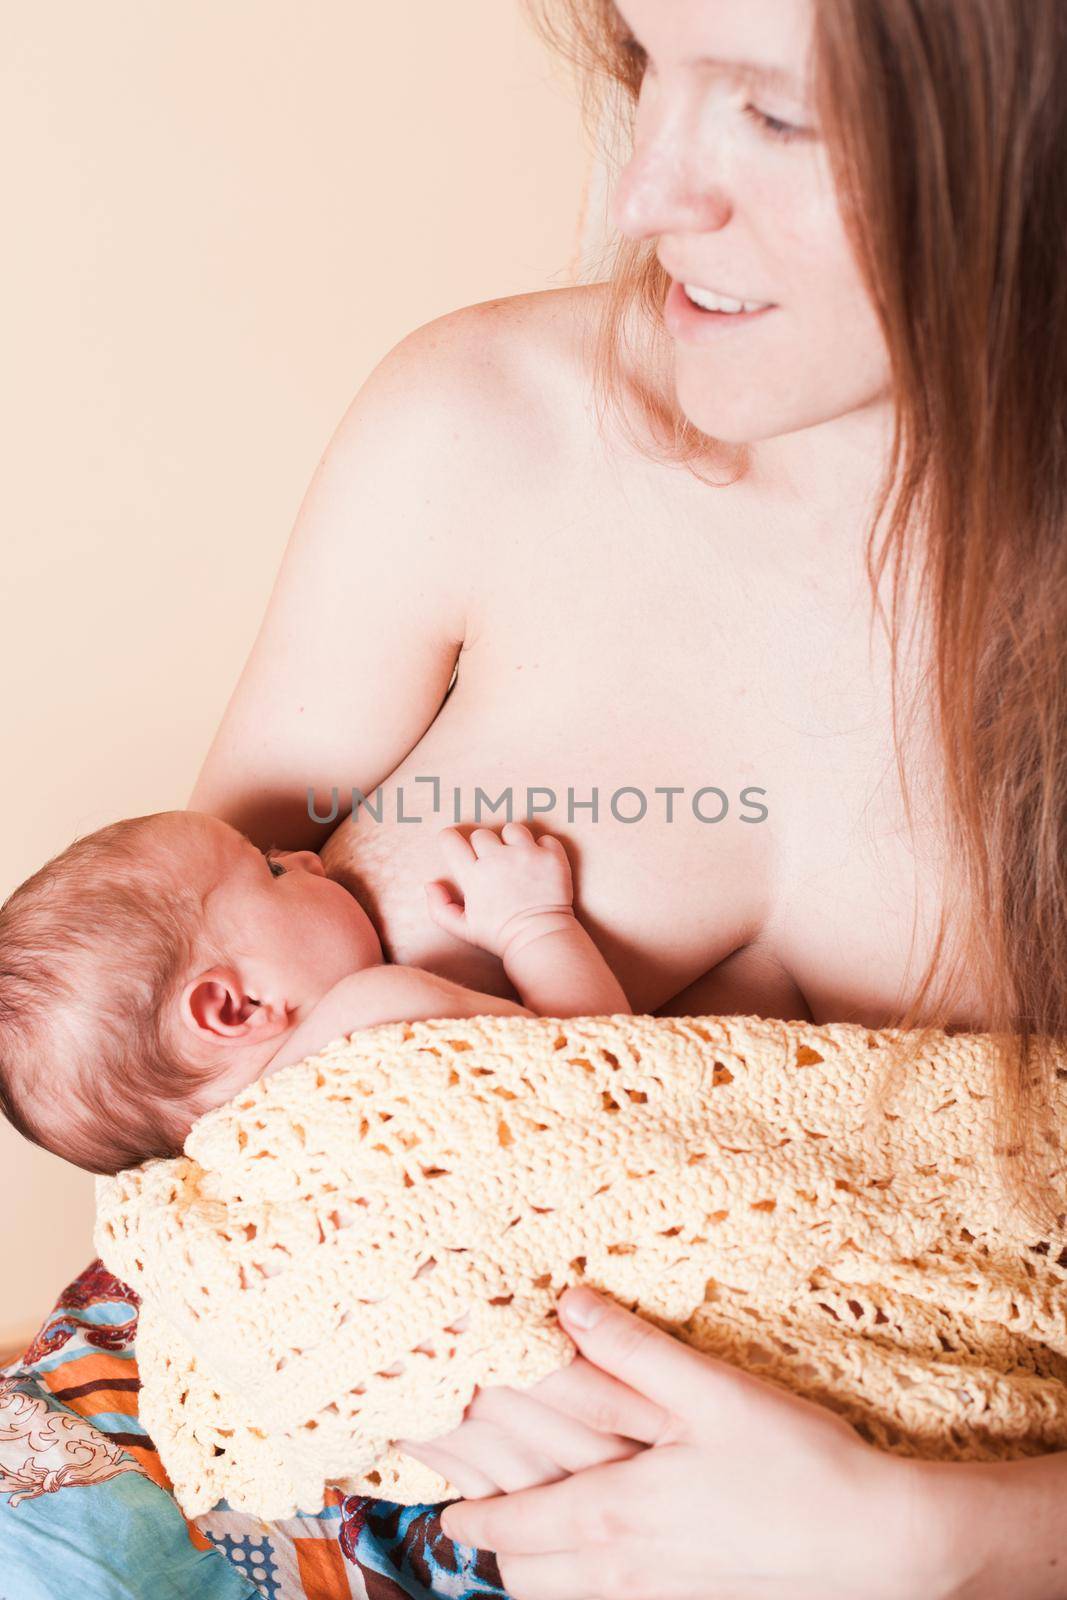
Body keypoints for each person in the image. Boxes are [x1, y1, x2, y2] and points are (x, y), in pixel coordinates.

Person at [188, 0, 1067, 1592]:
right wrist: (394, 1316)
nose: (646, 188)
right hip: (298, 1449)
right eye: (647, 66)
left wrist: (944, 1538)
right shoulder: (475, 427)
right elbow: (160, 1039)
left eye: (777, 116)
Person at [0, 812, 627, 1174]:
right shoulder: (378, 1013)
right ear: (236, 1006)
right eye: (271, 871)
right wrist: (534, 924)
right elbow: (601, 1065)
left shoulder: (230, 1164)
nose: (309, 858)